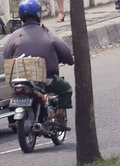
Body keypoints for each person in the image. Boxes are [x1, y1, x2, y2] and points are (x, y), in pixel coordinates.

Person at [3, 0, 74, 130]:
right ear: (38, 14)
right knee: (66, 89)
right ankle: (58, 118)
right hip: (45, 80)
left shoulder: (14, 36)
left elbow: (6, 56)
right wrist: (69, 60)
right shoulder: (48, 33)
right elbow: (66, 53)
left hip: (19, 80)